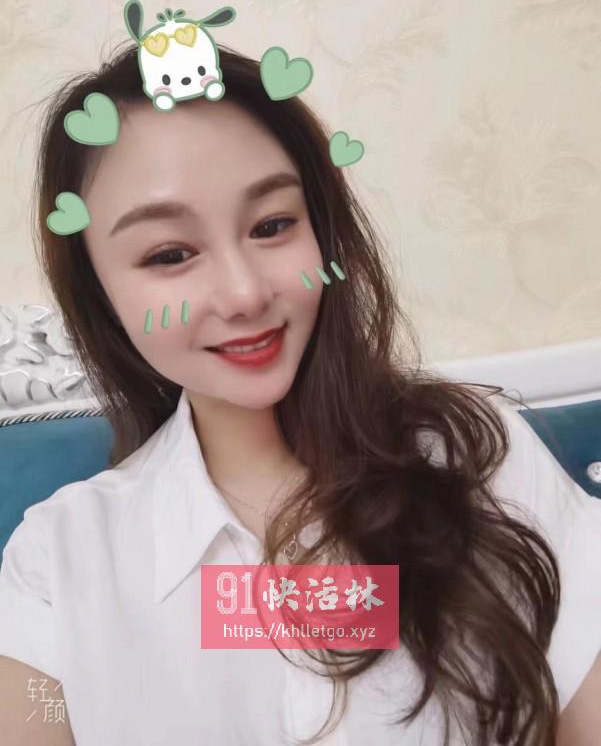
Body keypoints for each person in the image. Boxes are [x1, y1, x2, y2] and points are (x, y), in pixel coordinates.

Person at [0, 41, 599, 746]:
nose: (245, 293)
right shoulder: (60, 558)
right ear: (99, 291)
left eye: (273, 226)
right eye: (170, 254)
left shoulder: (481, 461)